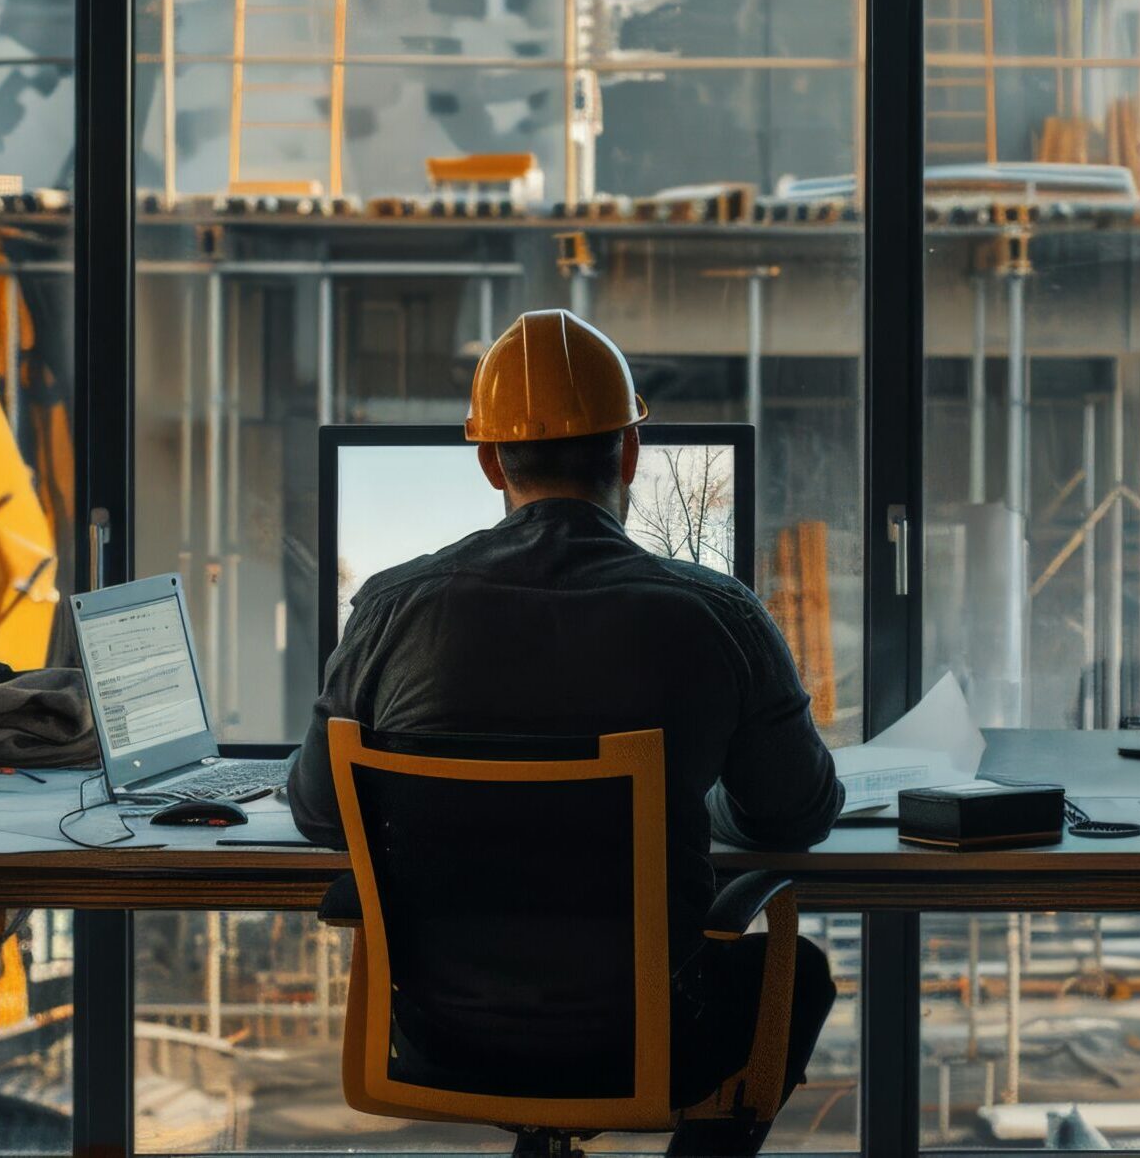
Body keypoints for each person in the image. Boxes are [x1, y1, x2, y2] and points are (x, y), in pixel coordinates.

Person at [289, 308, 843, 1156]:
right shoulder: (718, 615)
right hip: (651, 1034)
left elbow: (324, 815)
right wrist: (691, 797)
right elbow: (793, 815)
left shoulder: (392, 609)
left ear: (487, 461)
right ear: (628, 453)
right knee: (792, 971)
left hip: (444, 1034)